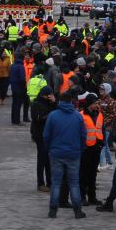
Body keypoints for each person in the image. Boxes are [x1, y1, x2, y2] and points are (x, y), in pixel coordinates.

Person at [42, 90, 86, 218]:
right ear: (71, 101)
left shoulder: (53, 115)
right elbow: (83, 135)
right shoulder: (78, 116)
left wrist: (49, 148)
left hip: (56, 153)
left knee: (56, 182)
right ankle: (77, 210)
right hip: (73, 153)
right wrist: (80, 148)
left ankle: (53, 210)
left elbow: (46, 135)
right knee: (73, 182)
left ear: (60, 101)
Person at [79, 94, 105, 205]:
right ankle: (82, 197)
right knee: (83, 174)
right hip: (85, 149)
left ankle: (92, 197)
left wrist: (101, 143)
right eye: (95, 103)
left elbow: (101, 129)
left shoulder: (99, 114)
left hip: (96, 148)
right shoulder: (81, 115)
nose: (97, 105)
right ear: (90, 104)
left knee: (93, 174)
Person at [30, 88, 56, 193]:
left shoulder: (50, 103)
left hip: (50, 135)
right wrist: (50, 115)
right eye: (48, 95)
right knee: (41, 159)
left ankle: (50, 182)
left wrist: (54, 103)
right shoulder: (36, 104)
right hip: (40, 135)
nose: (49, 97)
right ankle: (40, 183)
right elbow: (37, 119)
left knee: (49, 160)